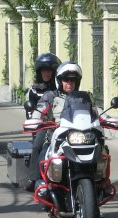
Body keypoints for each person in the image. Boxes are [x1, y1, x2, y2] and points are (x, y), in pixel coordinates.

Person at [25, 61, 83, 192]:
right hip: (53, 132)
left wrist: (105, 120)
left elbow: (95, 111)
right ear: (60, 81)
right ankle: (35, 180)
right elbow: (40, 109)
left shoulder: (83, 98)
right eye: (66, 80)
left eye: (73, 80)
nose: (70, 83)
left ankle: (99, 182)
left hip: (78, 135)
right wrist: (36, 119)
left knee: (101, 150)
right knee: (39, 148)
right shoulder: (50, 95)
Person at [24, 53, 61, 118]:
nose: (46, 73)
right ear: (39, 72)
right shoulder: (34, 89)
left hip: (59, 123)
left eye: (49, 70)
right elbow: (29, 114)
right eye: (44, 70)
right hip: (41, 124)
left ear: (54, 72)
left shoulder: (59, 88)